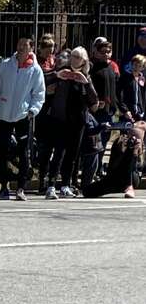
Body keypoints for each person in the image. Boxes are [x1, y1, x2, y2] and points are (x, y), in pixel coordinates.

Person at [0, 36, 46, 201]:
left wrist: (32, 111)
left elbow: (39, 94)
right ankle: (3, 187)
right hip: (4, 114)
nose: (21, 47)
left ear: (31, 48)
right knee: (3, 153)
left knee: (23, 152)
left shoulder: (35, 70)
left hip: (22, 116)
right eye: (19, 44)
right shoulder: (6, 65)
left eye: (25, 45)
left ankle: (21, 188)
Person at [43, 46, 98, 199]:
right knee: (58, 152)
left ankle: (66, 185)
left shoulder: (86, 75)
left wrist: (85, 82)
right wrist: (58, 75)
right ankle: (51, 185)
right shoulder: (63, 70)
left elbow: (93, 100)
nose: (74, 59)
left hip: (78, 122)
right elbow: (45, 80)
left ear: (84, 61)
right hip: (61, 119)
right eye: (73, 56)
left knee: (72, 155)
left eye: (78, 57)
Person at [34, 35, 59, 193]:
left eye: (52, 47)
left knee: (54, 145)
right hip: (42, 107)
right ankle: (42, 178)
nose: (49, 50)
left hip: (55, 107)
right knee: (44, 146)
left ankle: (52, 178)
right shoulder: (37, 62)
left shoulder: (55, 62)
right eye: (46, 46)